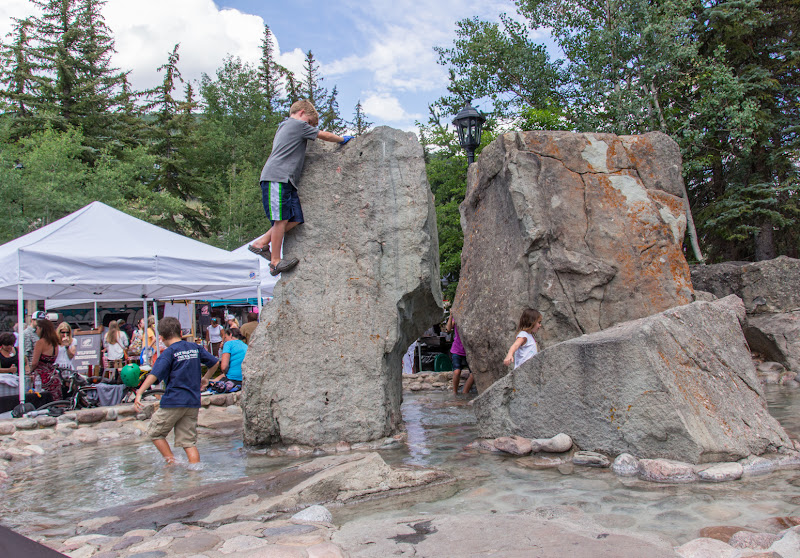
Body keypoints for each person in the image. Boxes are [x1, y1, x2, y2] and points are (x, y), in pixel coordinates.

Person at [248, 99, 354, 276]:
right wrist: (342, 139)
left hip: (287, 181)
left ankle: (261, 243)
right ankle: (275, 262)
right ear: (302, 112)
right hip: (277, 177)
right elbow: (325, 136)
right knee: (280, 219)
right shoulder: (295, 124)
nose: (310, 127)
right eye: (310, 123)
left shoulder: (292, 127)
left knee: (295, 218)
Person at [134, 317, 219, 465]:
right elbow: (215, 362)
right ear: (180, 332)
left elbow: (154, 375)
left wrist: (140, 392)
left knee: (155, 432)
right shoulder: (195, 347)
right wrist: (206, 378)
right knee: (188, 442)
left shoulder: (168, 353)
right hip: (192, 401)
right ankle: (194, 474)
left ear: (161, 337)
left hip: (173, 401)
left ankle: (171, 463)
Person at [31, 318, 61, 400]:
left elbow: (34, 363)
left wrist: (29, 371)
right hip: (53, 376)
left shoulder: (40, 342)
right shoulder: (55, 343)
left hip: (42, 379)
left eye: (36, 328)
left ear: (41, 329)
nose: (36, 331)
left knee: (42, 402)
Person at [445, 315, 473, 395]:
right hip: (457, 349)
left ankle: (465, 392)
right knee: (457, 371)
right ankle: (455, 393)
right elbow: (448, 329)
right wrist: (451, 315)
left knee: (473, 374)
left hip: (469, 351)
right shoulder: (457, 316)